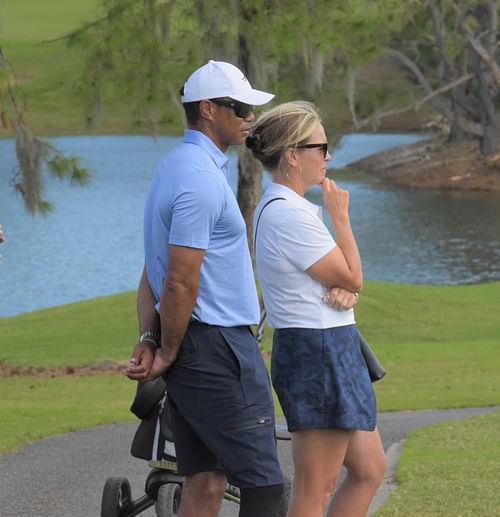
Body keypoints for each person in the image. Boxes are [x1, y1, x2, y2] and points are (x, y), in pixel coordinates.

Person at [125, 60, 285, 517]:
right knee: (265, 485)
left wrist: (151, 337)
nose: (250, 117)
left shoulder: (174, 167)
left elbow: (151, 270)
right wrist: (168, 351)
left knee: (205, 480)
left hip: (195, 347)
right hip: (215, 348)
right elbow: (177, 280)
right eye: (240, 107)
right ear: (209, 109)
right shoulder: (200, 181)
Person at [246, 101, 387, 517]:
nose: (328, 156)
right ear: (292, 154)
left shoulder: (289, 210)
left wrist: (348, 288)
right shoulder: (289, 215)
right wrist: (340, 218)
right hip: (317, 352)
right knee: (316, 488)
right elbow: (352, 276)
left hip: (332, 345)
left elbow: (345, 282)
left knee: (369, 468)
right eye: (320, 147)